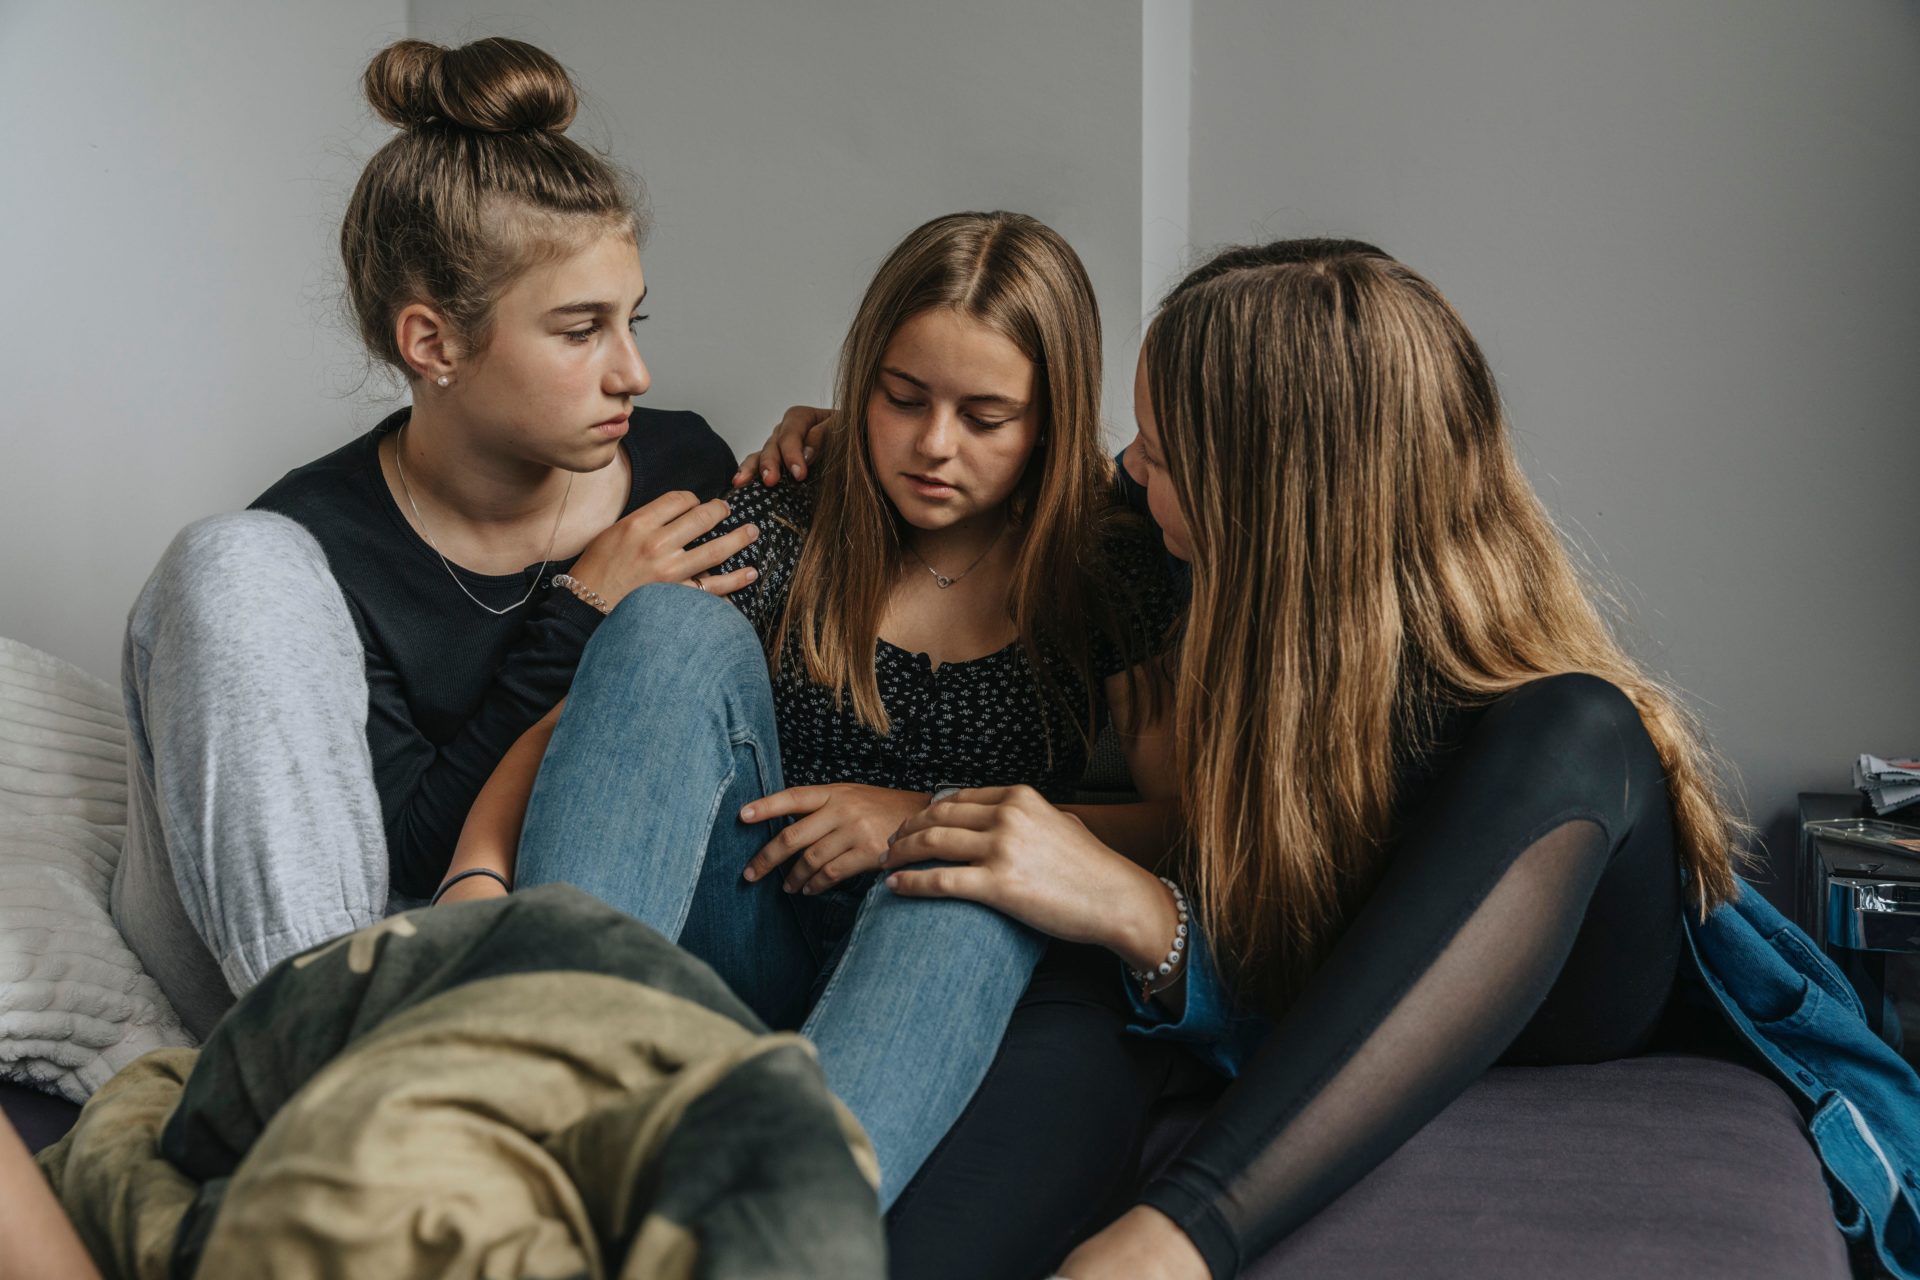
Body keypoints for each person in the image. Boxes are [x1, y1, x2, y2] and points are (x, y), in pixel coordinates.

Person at [853, 239, 1753, 1279]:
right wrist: (834, 450)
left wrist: (1149, 914)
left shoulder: (1551, 738)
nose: (1124, 467)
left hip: (1548, 995)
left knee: (1582, 723)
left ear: (1261, 495)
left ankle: (1172, 1241)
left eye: (1157, 449)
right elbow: (1005, 480)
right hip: (1234, 978)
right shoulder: (1184, 560)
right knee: (1042, 957)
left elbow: (1352, 966)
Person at [439, 210, 1186, 1208]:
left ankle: (762, 1225)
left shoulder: (1102, 562)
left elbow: (1176, 825)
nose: (933, 445)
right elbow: (616, 711)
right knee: (666, 622)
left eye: (985, 417)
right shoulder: (789, 509)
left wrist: (923, 818)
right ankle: (538, 1086)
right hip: (748, 930)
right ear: (860, 379)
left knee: (966, 879)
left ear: (1048, 418)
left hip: (930, 970)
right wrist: (476, 870)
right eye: (902, 397)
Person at [111, 36, 827, 1038]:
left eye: (635, 321)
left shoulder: (684, 470)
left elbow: (735, 738)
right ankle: (347, 1062)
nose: (635, 373)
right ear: (433, 343)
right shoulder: (320, 547)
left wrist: (848, 455)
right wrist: (581, 612)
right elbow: (403, 858)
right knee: (231, 561)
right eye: (582, 331)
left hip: (607, 945)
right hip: (377, 940)